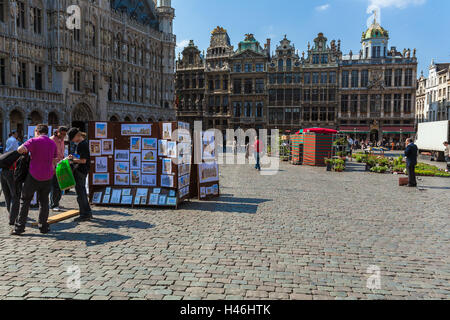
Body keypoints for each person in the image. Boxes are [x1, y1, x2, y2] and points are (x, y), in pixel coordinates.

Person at [12, 124, 57, 235]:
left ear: (37, 131)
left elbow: (20, 149)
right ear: (47, 132)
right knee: (44, 202)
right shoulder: (52, 143)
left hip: (33, 175)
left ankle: (19, 228)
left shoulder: (34, 141)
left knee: (25, 200)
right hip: (47, 175)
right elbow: (54, 160)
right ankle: (43, 227)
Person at [67, 128, 93, 222]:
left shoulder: (83, 145)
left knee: (81, 194)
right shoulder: (81, 144)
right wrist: (73, 157)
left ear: (77, 136)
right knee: (81, 193)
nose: (72, 141)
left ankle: (85, 214)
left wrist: (71, 160)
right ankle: (86, 213)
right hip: (80, 170)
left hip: (81, 171)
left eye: (72, 138)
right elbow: (80, 157)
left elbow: (83, 160)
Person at [49, 127, 68, 212]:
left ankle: (57, 202)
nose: (64, 136)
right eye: (62, 134)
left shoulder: (62, 140)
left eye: (65, 134)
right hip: (53, 166)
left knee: (60, 185)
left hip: (61, 165)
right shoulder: (51, 140)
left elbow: (62, 152)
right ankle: (53, 204)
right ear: (57, 132)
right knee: (55, 186)